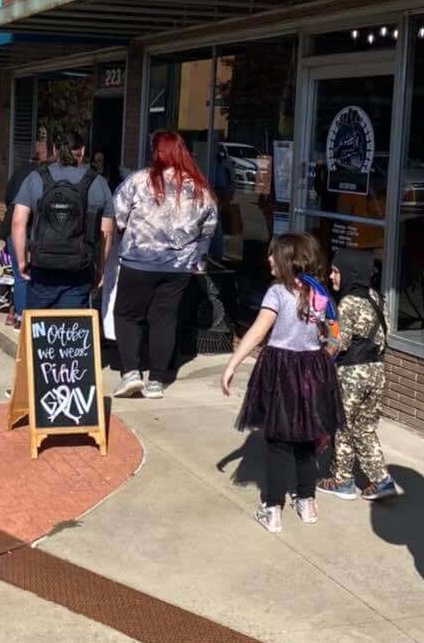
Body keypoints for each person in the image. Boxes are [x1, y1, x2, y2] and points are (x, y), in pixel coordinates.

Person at [221, 233, 345, 533]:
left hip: (280, 368)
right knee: (307, 438)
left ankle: (273, 508)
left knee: (277, 440)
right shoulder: (319, 292)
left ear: (288, 260)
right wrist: (324, 356)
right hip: (313, 368)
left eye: (273, 255)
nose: (269, 260)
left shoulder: (277, 293)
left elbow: (257, 332)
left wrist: (231, 364)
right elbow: (333, 336)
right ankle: (307, 501)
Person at [111, 131, 217, 400]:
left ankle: (131, 372)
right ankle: (157, 380)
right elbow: (209, 227)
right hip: (178, 267)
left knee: (127, 315)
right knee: (164, 319)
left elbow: (117, 215)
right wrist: (196, 256)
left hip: (139, 261)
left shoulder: (139, 180)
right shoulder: (199, 187)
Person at [317, 248, 399, 501]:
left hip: (351, 374)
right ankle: (382, 480)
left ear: (350, 273)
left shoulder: (348, 302)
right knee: (364, 428)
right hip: (376, 372)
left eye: (336, 271)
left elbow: (340, 343)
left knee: (342, 427)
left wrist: (322, 334)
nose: (331, 276)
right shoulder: (376, 297)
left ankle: (342, 480)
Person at [10, 130, 115, 311]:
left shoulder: (36, 178)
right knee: (71, 327)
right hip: (79, 268)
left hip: (43, 266)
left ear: (54, 149)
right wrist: (100, 269)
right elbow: (106, 232)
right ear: (82, 150)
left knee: (39, 327)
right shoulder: (97, 182)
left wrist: (21, 261)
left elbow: (18, 222)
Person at [0, 153, 40, 329]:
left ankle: (16, 313)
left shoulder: (19, 173)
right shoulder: (41, 178)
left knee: (18, 276)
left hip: (13, 231)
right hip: (31, 232)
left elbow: (8, 198)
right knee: (28, 277)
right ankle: (22, 317)